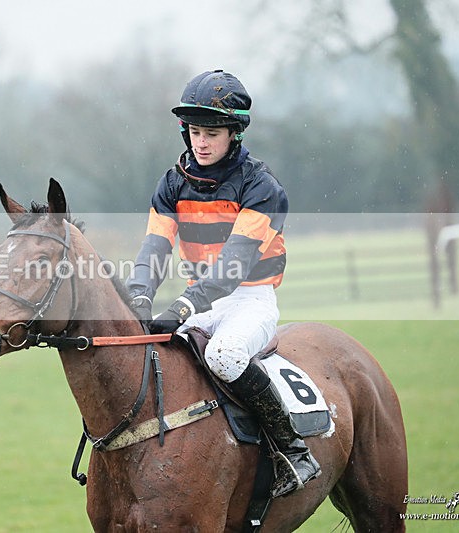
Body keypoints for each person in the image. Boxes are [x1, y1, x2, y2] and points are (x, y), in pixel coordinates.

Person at [125, 69, 320, 497]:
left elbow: (233, 266)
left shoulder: (262, 186)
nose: (201, 142)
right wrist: (139, 294)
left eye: (211, 132)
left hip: (250, 299)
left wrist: (182, 306)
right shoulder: (172, 183)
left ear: (235, 133)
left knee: (226, 355)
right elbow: (154, 249)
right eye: (195, 131)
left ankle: (293, 449)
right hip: (204, 300)